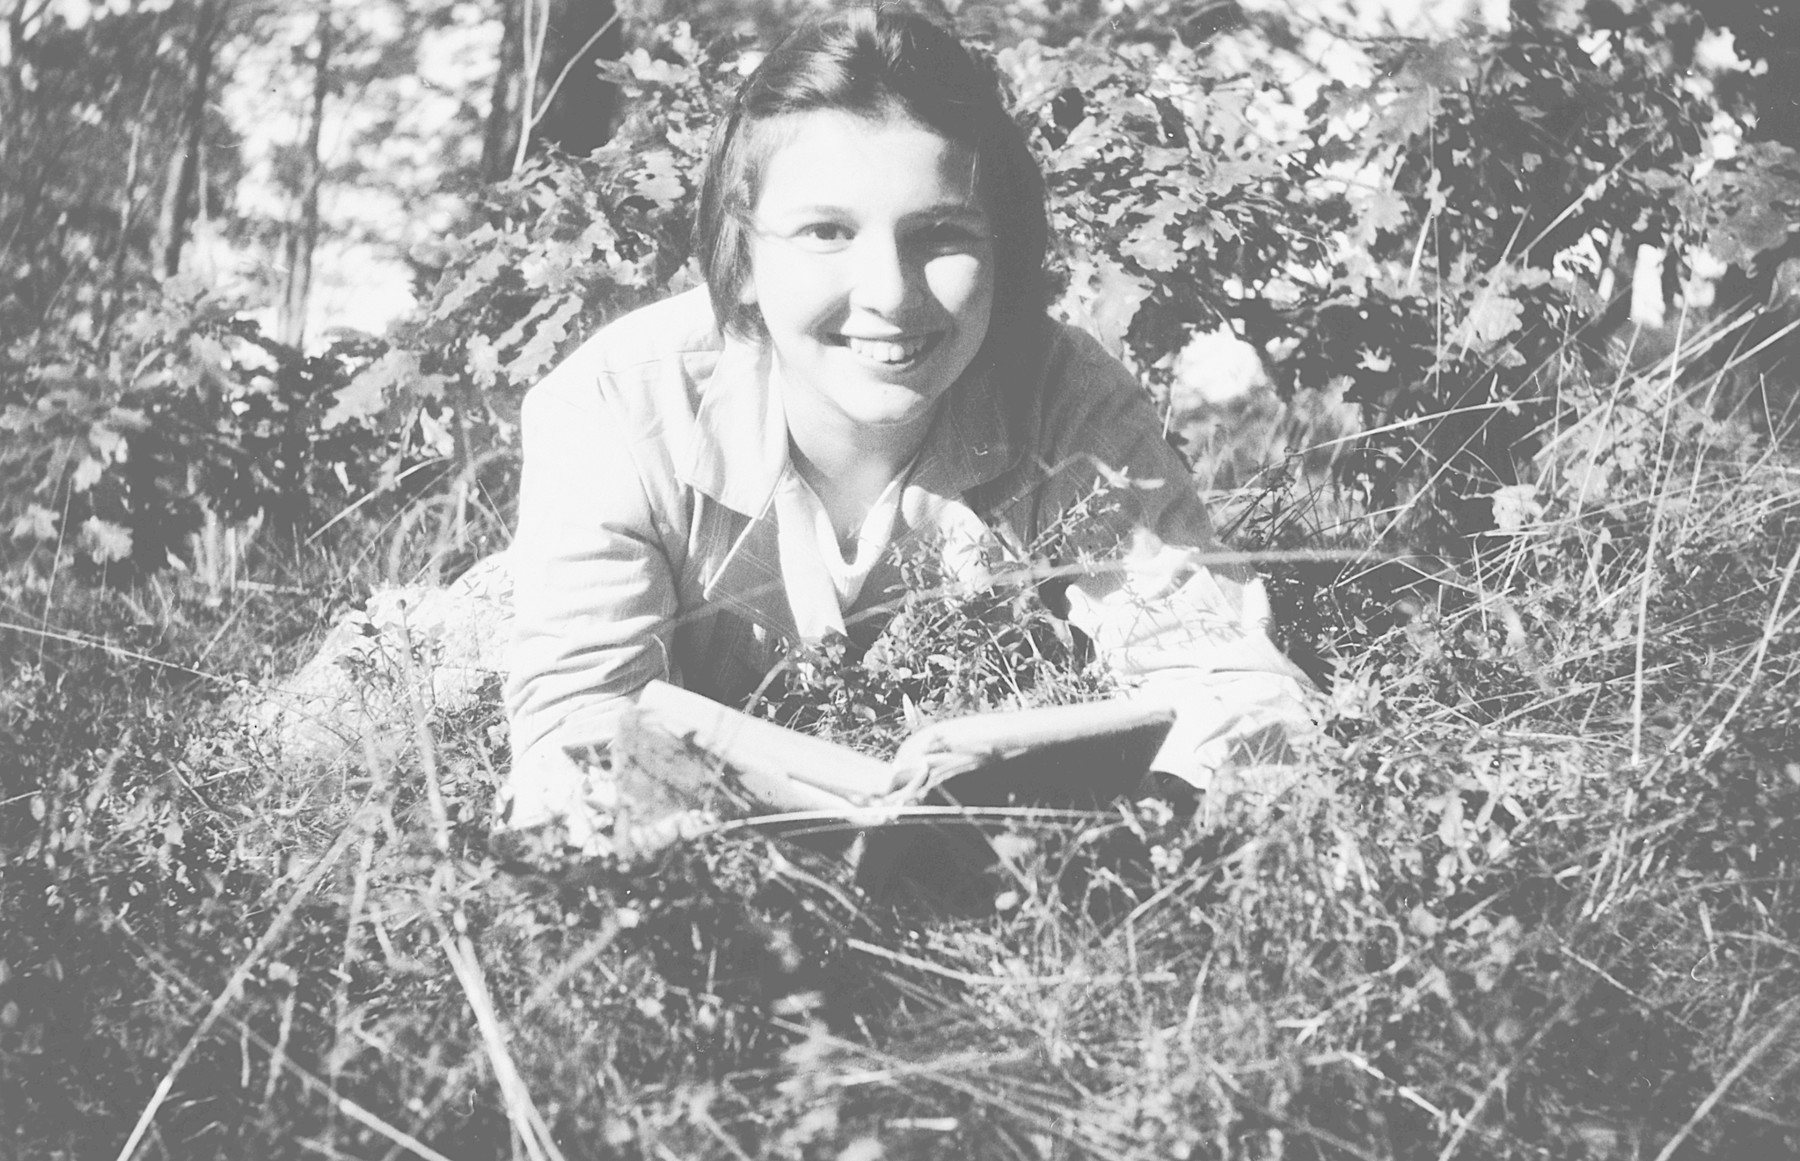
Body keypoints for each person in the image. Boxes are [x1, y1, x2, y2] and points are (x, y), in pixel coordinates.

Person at [501, 6, 1320, 856]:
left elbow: (1237, 684)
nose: (889, 292)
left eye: (942, 234)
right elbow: (575, 738)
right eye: (826, 232)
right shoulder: (613, 406)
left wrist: (1147, 828)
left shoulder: (1066, 397)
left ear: (1005, 248)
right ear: (742, 260)